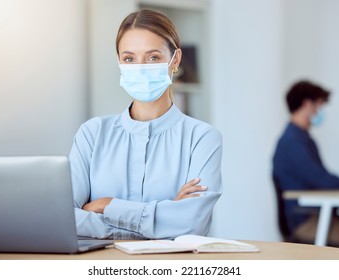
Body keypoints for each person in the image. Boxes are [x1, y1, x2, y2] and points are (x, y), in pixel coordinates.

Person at [69, 9, 223, 240]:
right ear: (119, 62)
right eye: (129, 58)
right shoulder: (92, 134)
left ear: (175, 60)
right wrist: (163, 217)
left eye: (153, 57)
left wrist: (106, 205)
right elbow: (67, 218)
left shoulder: (201, 138)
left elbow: (192, 223)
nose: (139, 68)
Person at [272, 80, 339, 248]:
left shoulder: (301, 138)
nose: (320, 111)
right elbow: (320, 179)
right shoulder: (293, 142)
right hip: (306, 220)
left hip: (315, 215)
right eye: (319, 106)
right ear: (307, 104)